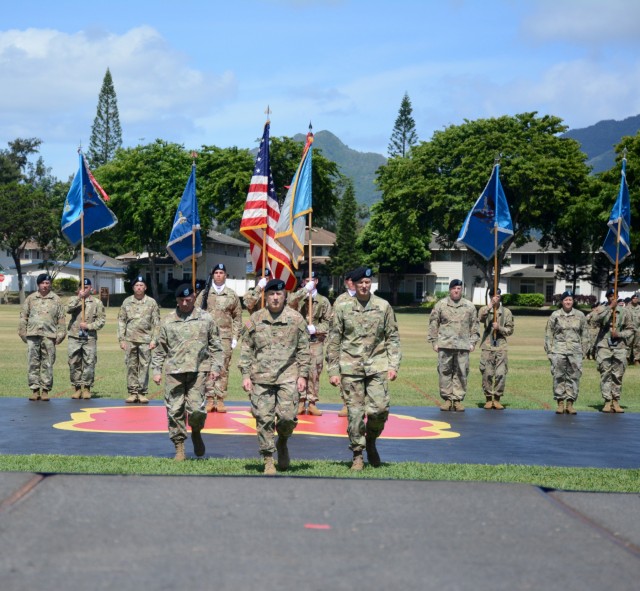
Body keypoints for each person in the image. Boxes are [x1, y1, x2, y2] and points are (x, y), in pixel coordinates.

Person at [326, 267, 401, 471]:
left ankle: (371, 440)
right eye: (361, 283)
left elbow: (392, 337)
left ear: (371, 284)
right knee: (355, 414)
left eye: (368, 282)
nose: (364, 286)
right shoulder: (342, 307)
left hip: (377, 366)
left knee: (379, 410)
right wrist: (333, 371)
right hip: (350, 368)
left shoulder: (383, 306)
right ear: (354, 284)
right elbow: (333, 340)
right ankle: (358, 454)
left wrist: (393, 365)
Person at [238, 278, 310, 475]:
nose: (275, 298)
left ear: (285, 295)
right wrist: (245, 375)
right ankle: (268, 460)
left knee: (287, 418)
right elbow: (246, 349)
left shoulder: (296, 319)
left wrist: (303, 376)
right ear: (265, 296)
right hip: (260, 378)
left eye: (279, 294)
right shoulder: (256, 319)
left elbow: (304, 349)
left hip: (288, 376)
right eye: (271, 294)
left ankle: (283, 441)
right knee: (263, 418)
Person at [152, 284, 224, 460]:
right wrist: (156, 370)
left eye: (188, 300)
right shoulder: (167, 321)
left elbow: (216, 345)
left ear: (194, 297)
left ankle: (197, 432)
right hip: (174, 372)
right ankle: (179, 447)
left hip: (198, 371)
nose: (185, 303)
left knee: (197, 410)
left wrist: (216, 367)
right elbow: (160, 348)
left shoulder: (206, 318)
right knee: (174, 410)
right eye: (181, 300)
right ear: (176, 301)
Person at [195, 263, 242, 413]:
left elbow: (238, 317)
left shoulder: (232, 295)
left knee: (223, 368)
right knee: (208, 367)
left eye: (222, 272)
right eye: (216, 273)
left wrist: (235, 337)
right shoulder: (204, 294)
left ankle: (220, 399)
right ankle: (209, 398)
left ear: (225, 275)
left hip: (225, 338)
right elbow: (196, 313)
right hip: (207, 338)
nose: (219, 275)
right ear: (213, 275)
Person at [427, 279, 479, 412]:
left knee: (461, 372)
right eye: (454, 288)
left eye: (459, 288)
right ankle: (447, 399)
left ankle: (457, 400)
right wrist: (434, 342)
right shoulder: (441, 305)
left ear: (462, 290)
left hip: (463, 345)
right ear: (450, 290)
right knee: (444, 372)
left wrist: (472, 343)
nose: (456, 290)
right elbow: (433, 323)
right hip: (445, 344)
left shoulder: (469, 306)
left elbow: (475, 326)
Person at [288, 270, 332, 416]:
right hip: (299, 343)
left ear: (317, 282)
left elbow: (328, 323)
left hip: (315, 342)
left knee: (314, 372)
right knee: (299, 371)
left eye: (312, 280)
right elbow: (289, 302)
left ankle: (312, 402)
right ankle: (300, 402)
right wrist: (304, 291)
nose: (310, 283)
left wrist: (316, 329)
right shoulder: (299, 298)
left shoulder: (323, 301)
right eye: (307, 280)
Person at [18, 273, 66, 401]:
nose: (45, 286)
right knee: (33, 363)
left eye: (47, 283)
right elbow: (23, 317)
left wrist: (61, 335)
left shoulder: (56, 300)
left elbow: (61, 318)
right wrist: (23, 333)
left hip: (49, 336)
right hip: (33, 335)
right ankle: (34, 390)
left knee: (48, 363)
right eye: (43, 283)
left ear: (50, 284)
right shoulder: (31, 299)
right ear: (38, 284)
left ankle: (45, 390)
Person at [544, 291, 588, 414]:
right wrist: (549, 351)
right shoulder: (555, 315)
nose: (568, 302)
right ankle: (560, 402)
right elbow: (549, 333)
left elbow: (585, 334)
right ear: (562, 301)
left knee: (574, 377)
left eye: (570, 300)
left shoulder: (580, 315)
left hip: (575, 351)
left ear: (573, 301)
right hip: (558, 350)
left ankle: (570, 403)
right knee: (558, 376)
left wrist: (584, 351)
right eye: (565, 300)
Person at [117, 275, 160, 404]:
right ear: (133, 288)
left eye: (141, 285)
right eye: (137, 285)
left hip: (146, 340)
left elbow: (157, 323)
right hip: (130, 339)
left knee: (144, 366)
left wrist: (154, 340)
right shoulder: (127, 302)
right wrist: (121, 339)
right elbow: (121, 321)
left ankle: (142, 392)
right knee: (131, 366)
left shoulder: (151, 302)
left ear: (145, 287)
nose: (139, 287)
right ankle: (132, 392)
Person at [592, 288, 635, 413]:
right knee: (605, 374)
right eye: (610, 296)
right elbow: (594, 320)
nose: (613, 297)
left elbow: (631, 329)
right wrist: (609, 308)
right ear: (607, 298)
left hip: (619, 347)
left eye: (614, 295)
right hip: (604, 346)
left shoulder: (625, 312)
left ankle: (615, 401)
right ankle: (606, 401)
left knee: (618, 375)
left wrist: (620, 334)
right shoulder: (601, 309)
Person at [66, 278, 106, 400]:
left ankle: (87, 388)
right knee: (74, 362)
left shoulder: (97, 303)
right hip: (74, 336)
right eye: (82, 287)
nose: (85, 289)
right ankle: (77, 388)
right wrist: (79, 297)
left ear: (91, 288)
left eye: (87, 287)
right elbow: (68, 309)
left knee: (89, 362)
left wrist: (88, 326)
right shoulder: (74, 300)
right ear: (79, 288)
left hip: (89, 337)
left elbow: (101, 321)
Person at [478, 288, 514, 410]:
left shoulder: (506, 312)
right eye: (493, 296)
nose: (496, 298)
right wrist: (489, 306)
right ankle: (488, 399)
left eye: (498, 296)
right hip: (487, 346)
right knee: (487, 373)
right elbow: (480, 318)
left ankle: (497, 399)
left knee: (500, 374)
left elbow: (510, 330)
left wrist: (500, 328)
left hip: (501, 346)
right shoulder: (485, 309)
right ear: (490, 297)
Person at [329, 268, 358, 417]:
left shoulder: (366, 297)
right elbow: (334, 324)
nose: (353, 283)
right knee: (346, 377)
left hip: (363, 346)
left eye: (355, 280)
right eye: (351, 280)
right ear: (347, 282)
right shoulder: (341, 300)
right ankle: (346, 404)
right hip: (346, 345)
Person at [626, 293, 640, 365]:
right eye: (634, 298)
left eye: (636, 298)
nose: (635, 299)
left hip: (638, 329)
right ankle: (627, 358)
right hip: (629, 329)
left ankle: (636, 359)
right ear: (631, 299)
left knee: (637, 345)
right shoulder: (627, 308)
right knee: (628, 343)